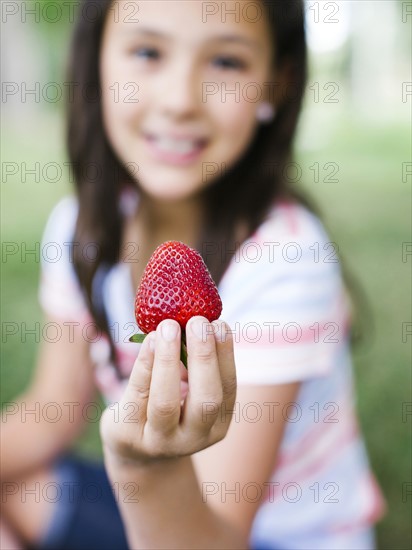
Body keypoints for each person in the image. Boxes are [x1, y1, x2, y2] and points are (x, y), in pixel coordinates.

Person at [1, 1, 386, 549]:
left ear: (276, 85)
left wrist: (144, 468)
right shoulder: (78, 229)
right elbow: (48, 411)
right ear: (95, 64)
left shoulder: (287, 261)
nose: (180, 100)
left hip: (262, 535)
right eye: (147, 51)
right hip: (158, 505)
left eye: (226, 63)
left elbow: (221, 536)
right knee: (17, 487)